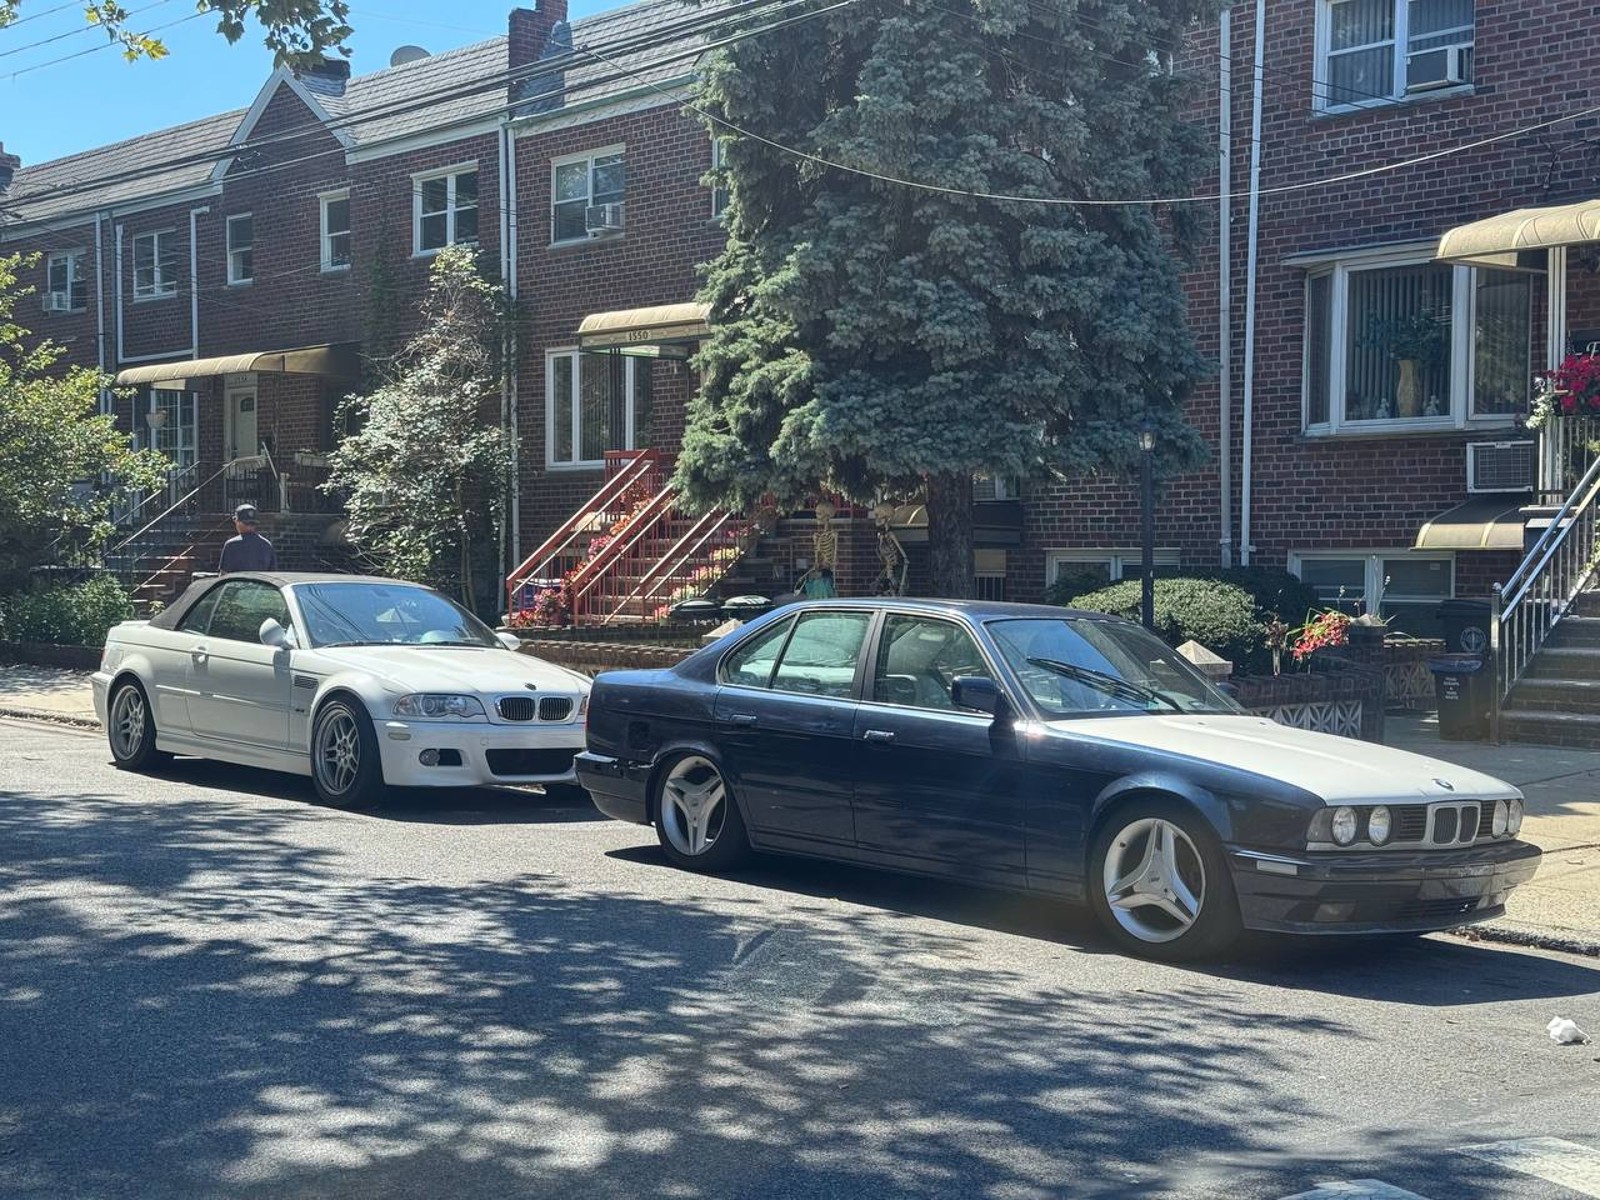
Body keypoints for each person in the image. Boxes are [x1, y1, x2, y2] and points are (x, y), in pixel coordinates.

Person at [219, 503, 277, 573]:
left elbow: (224, 574)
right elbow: (272, 574)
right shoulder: (267, 545)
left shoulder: (231, 545)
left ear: (238, 522)